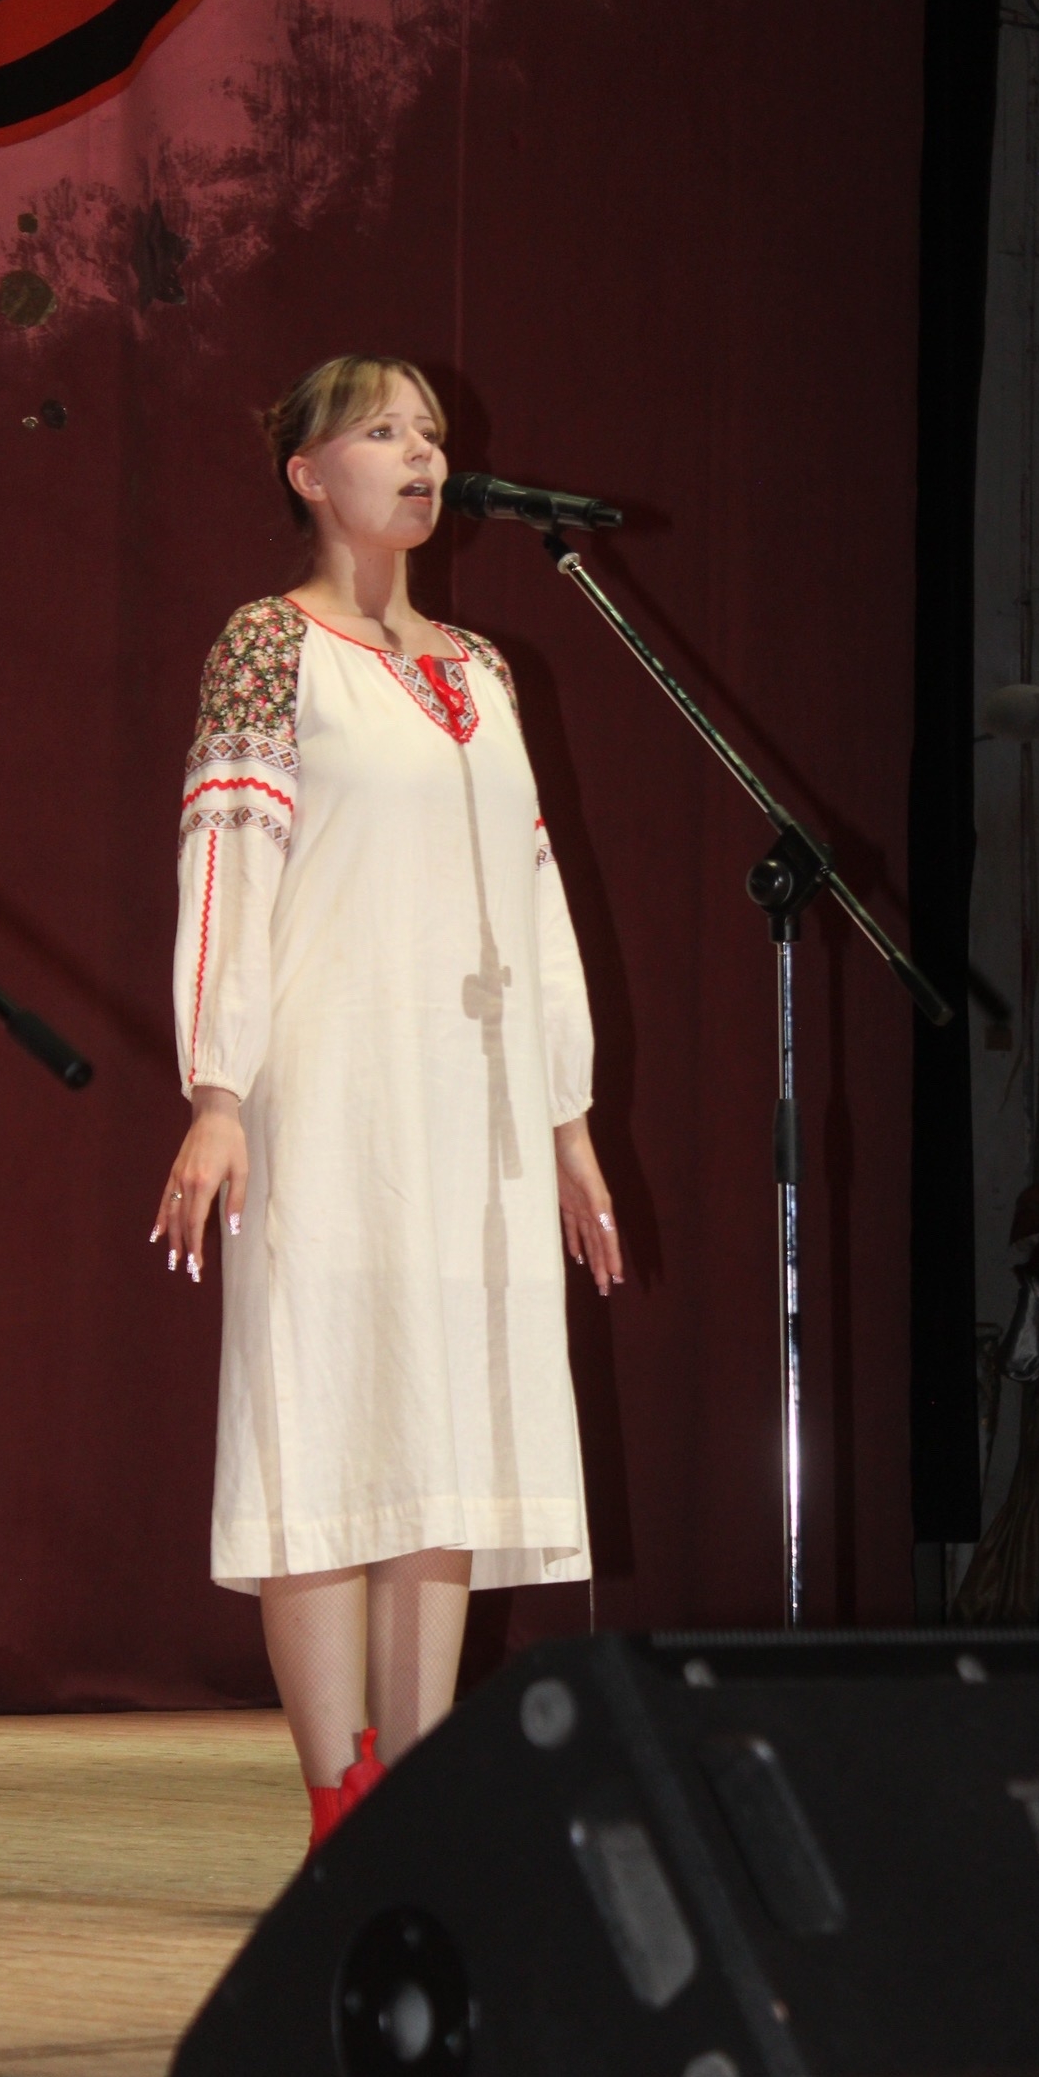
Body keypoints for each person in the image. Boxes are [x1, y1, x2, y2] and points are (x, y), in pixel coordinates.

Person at [154, 354, 621, 1848]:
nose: (420, 454)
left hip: (473, 1115)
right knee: (322, 1423)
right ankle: (336, 1801)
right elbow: (228, 867)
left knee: (443, 1434)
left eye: (431, 432)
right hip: (329, 1097)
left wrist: (565, 1119)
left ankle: (415, 1805)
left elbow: (534, 897)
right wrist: (218, 1090)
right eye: (382, 431)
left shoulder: (484, 669)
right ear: (308, 473)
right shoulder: (266, 646)